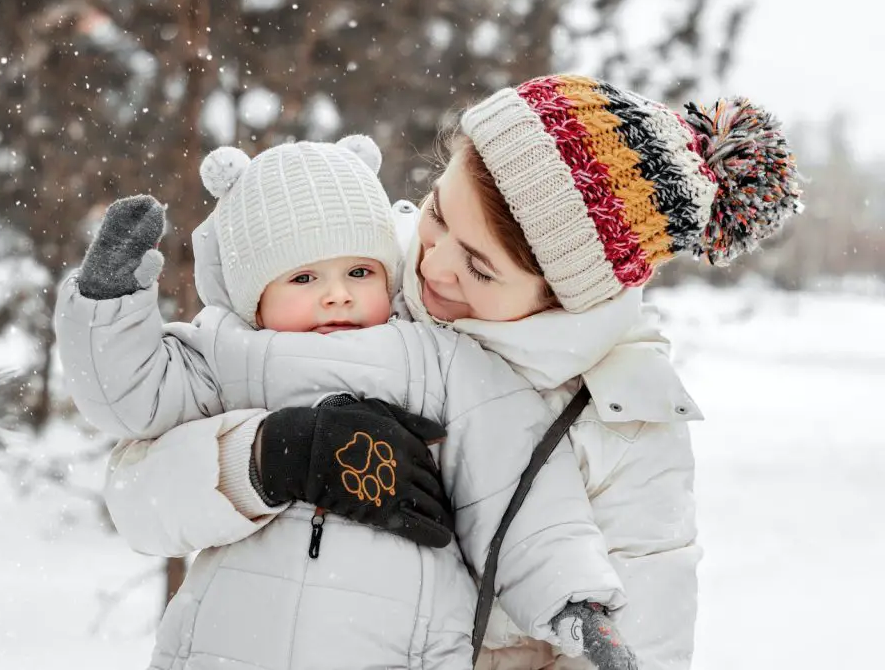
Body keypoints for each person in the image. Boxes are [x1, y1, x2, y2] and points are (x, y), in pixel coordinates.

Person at [87, 74, 801, 669]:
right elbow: (134, 499)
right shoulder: (351, 282)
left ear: (564, 298)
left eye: (480, 266)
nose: (433, 264)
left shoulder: (629, 433)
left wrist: (580, 608)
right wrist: (270, 457)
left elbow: (634, 639)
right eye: (437, 216)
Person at [55, 135, 635, 670]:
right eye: (303, 278)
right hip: (228, 644)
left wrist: (572, 598)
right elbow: (130, 397)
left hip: (400, 647)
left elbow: (516, 487)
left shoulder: (439, 359)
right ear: (253, 297)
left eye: (359, 271)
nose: (336, 294)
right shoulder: (226, 354)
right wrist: (109, 301)